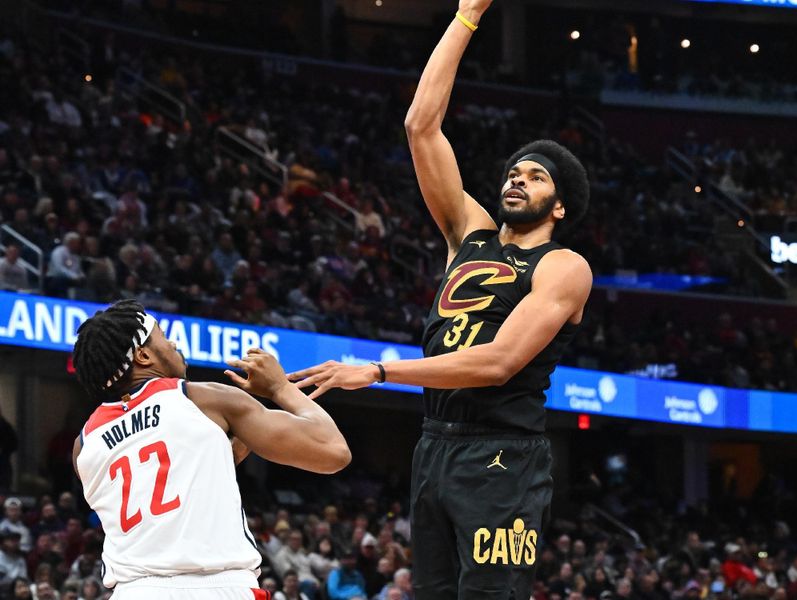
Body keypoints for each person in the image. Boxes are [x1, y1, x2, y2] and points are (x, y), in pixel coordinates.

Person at [276, 2, 591, 598]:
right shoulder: (467, 234)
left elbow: (498, 363)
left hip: (502, 454)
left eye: (536, 176)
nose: (517, 178)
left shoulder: (563, 266)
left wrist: (378, 370)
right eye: (515, 171)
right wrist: (467, 14)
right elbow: (422, 126)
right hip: (434, 444)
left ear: (559, 206)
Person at [71, 299, 351, 599]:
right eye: (164, 336)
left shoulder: (84, 445)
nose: (173, 343)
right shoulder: (200, 399)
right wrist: (279, 388)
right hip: (216, 585)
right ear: (143, 355)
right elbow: (332, 451)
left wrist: (229, 447)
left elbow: (168, 486)